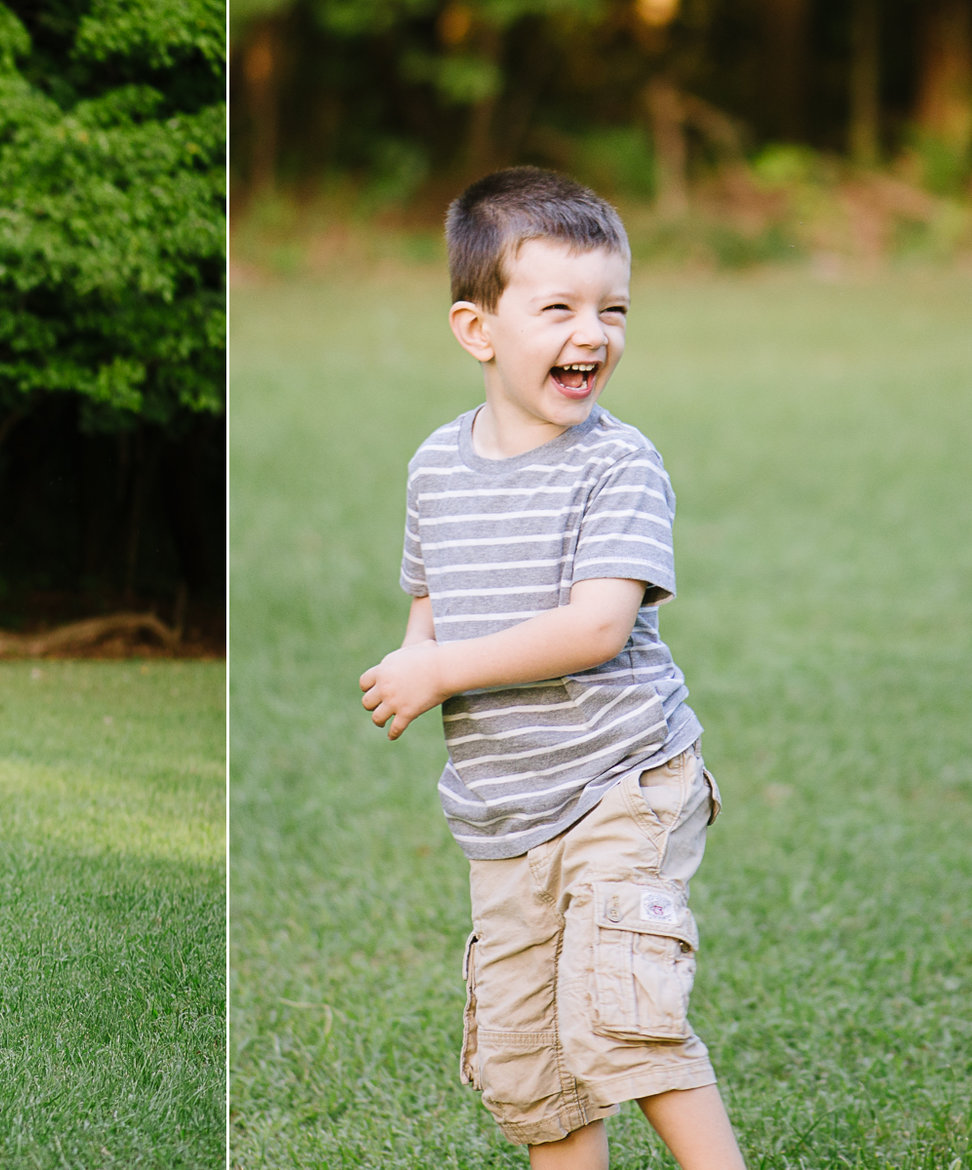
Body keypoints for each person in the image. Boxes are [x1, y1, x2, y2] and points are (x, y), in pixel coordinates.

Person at [356, 167, 745, 1169]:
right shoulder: (434, 465)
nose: (594, 334)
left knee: (625, 1020)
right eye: (559, 308)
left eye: (612, 309)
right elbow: (429, 598)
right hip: (504, 810)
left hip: (624, 782)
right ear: (477, 329)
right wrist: (413, 654)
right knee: (529, 1072)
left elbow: (594, 630)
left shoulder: (619, 464)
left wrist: (439, 671)